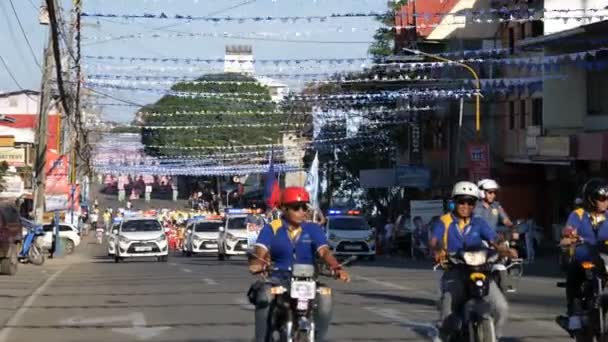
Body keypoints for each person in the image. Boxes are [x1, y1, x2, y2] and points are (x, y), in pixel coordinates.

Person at [247, 187, 350, 342]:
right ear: (284, 209)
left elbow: (324, 252)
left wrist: (336, 267)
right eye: (296, 208)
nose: (302, 211)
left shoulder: (313, 228)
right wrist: (257, 264)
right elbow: (260, 252)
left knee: (326, 297)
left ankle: (318, 338)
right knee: (264, 296)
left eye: (304, 207)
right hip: (279, 279)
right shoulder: (272, 228)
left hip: (308, 280)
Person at [430, 181, 516, 341]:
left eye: (470, 202)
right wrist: (438, 250)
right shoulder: (445, 221)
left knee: (502, 308)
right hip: (455, 270)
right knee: (447, 309)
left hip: (480, 270)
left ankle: (494, 337)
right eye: (461, 201)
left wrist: (506, 249)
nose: (465, 206)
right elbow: (434, 241)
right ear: (454, 202)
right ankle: (442, 336)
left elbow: (494, 240)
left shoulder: (479, 222)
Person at [558, 178, 608, 333]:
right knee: (574, 272)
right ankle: (573, 314)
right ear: (591, 199)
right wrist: (569, 236)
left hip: (604, 258)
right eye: (602, 198)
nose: (606, 202)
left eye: (607, 198)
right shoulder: (578, 214)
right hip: (584, 259)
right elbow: (568, 230)